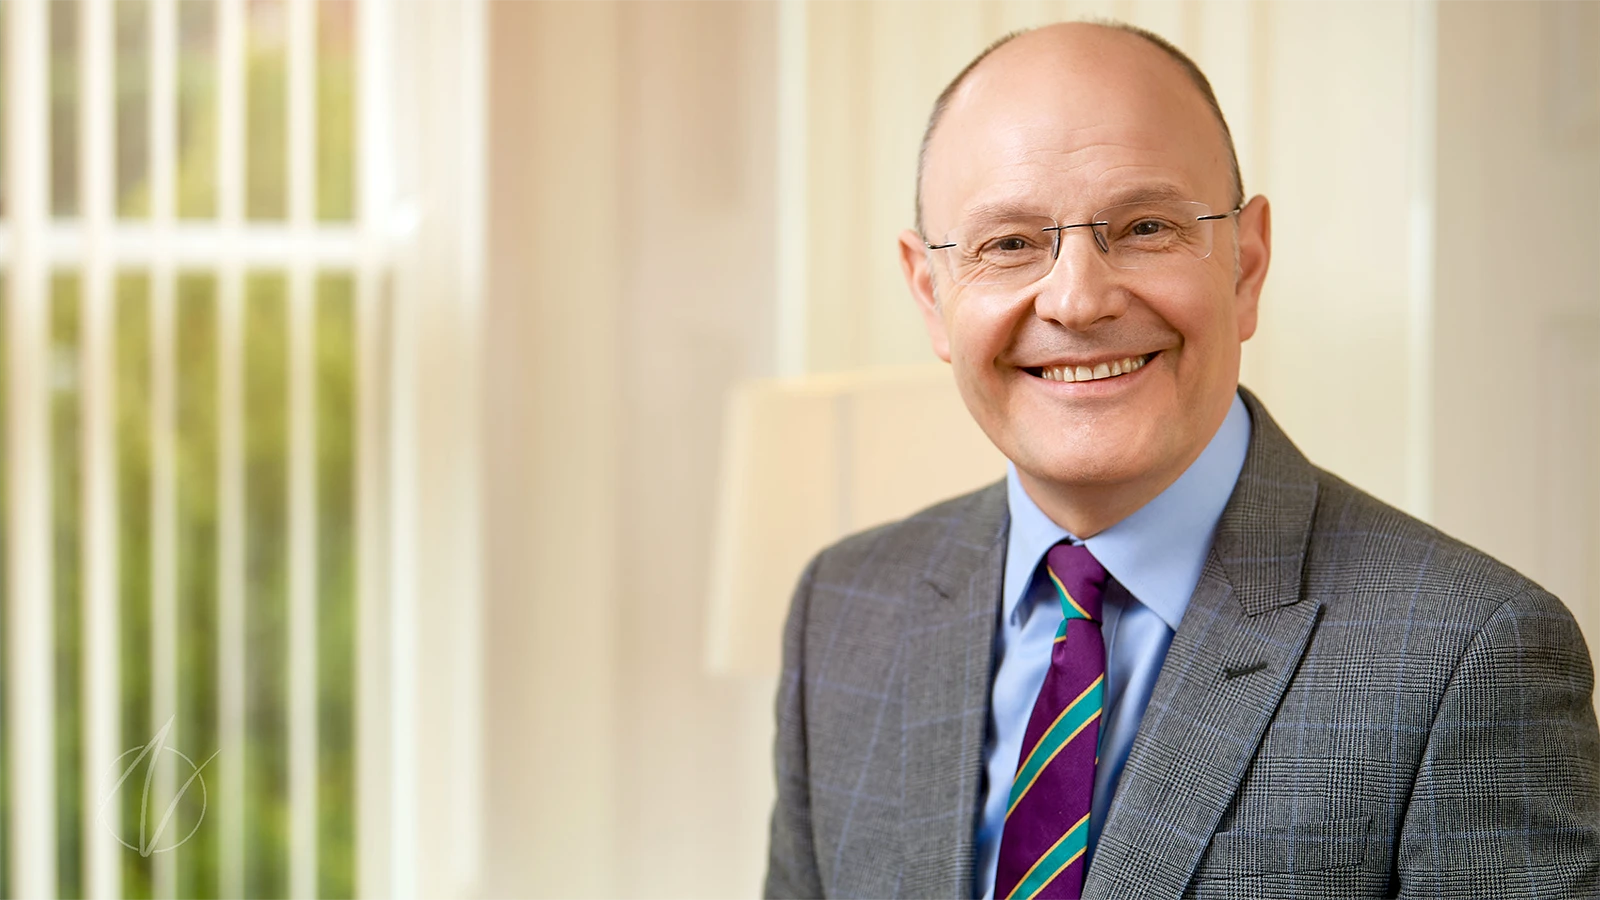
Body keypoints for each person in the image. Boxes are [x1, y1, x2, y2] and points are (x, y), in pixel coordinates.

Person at [763, 20, 1600, 900]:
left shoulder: (1471, 655)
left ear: (1246, 263)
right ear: (931, 294)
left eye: (1146, 226)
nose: (1079, 301)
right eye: (1008, 244)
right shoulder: (844, 611)